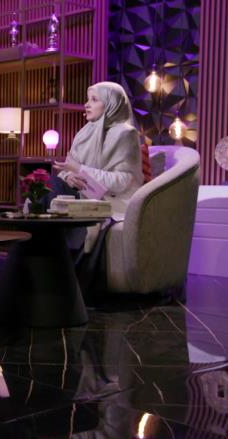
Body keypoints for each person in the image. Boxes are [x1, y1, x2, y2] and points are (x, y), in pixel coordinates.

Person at [51, 81, 142, 292]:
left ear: (111, 103)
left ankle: (63, 279)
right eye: (87, 99)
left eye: (94, 100)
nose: (86, 104)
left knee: (51, 190)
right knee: (50, 184)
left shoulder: (125, 134)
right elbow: (68, 168)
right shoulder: (84, 133)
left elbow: (124, 180)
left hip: (109, 200)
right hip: (80, 192)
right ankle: (46, 269)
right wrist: (69, 177)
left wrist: (81, 170)